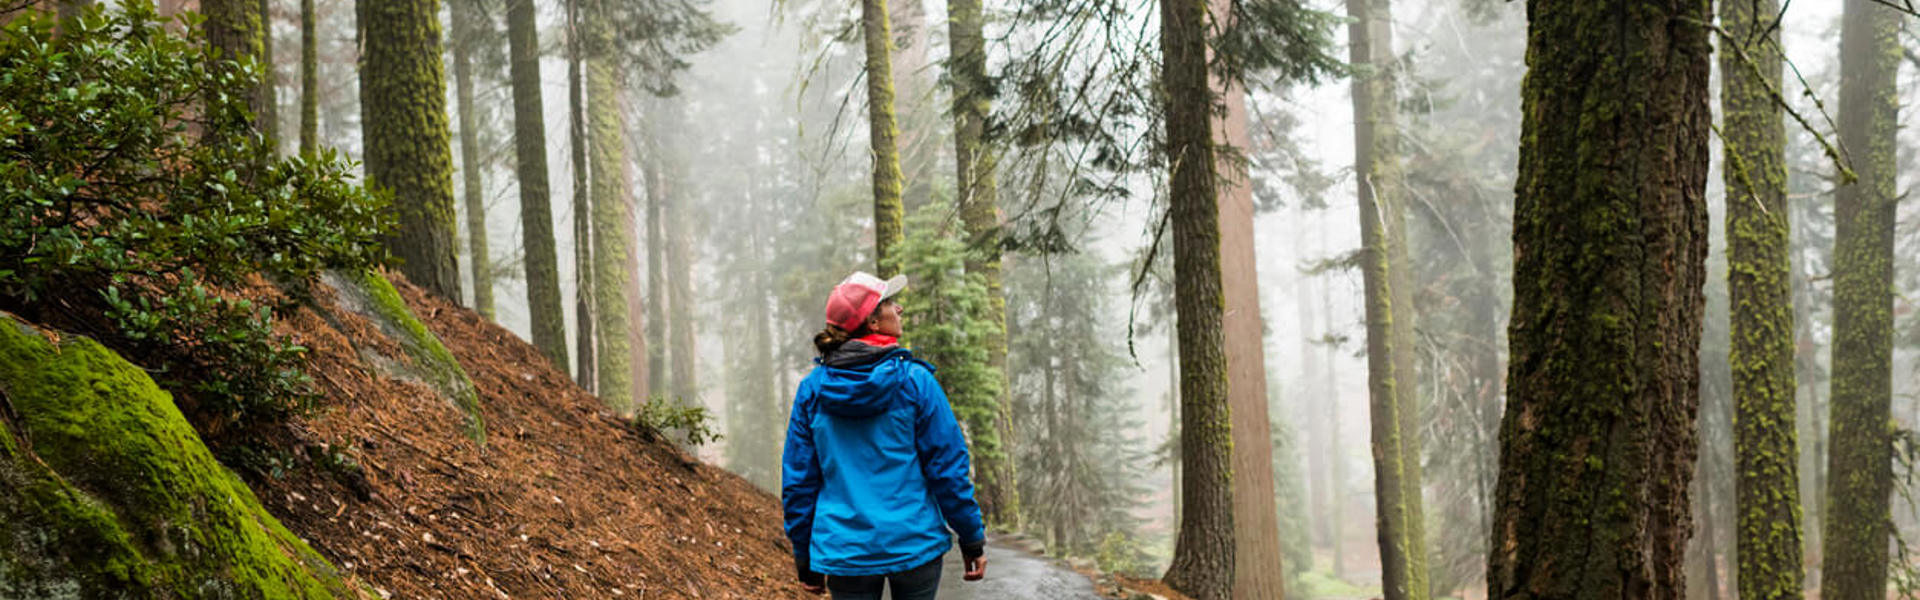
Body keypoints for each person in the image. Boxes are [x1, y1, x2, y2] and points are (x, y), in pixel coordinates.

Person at [782, 271, 989, 599]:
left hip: (845, 550)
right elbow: (947, 469)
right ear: (873, 323)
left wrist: (804, 556)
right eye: (891, 303)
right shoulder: (916, 382)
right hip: (913, 544)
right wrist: (971, 536)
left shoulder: (812, 390)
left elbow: (799, 482)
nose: (900, 308)